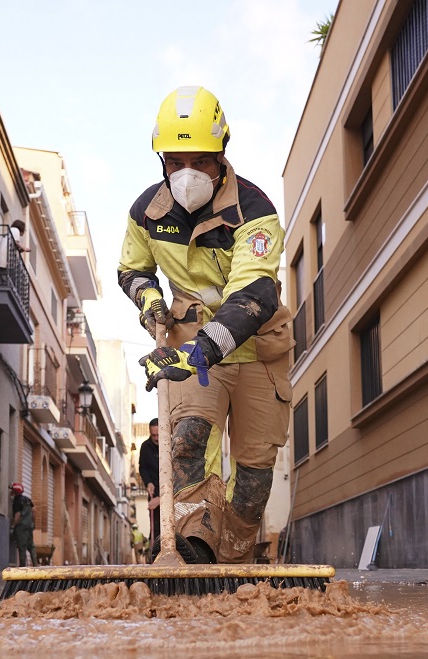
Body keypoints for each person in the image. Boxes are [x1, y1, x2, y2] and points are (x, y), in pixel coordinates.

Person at [121, 86, 293, 565]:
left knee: (255, 475)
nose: (187, 174)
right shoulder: (147, 213)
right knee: (188, 441)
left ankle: (235, 560)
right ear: (162, 163)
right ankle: (194, 551)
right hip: (190, 349)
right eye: (175, 163)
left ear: (222, 156)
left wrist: (196, 352)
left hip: (256, 351)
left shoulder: (255, 211)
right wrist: (150, 299)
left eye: (200, 161)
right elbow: (132, 270)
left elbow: (254, 295)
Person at [137, 417, 161, 561]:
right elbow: (143, 468)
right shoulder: (145, 447)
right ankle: (155, 559)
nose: (157, 438)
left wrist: (162, 498)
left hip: (171, 492)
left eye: (159, 435)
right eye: (154, 435)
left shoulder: (172, 445)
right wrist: (148, 483)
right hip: (153, 491)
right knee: (156, 527)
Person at [0, 219, 29, 284]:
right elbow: (16, 243)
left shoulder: (9, 231)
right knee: (7, 280)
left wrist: (21, 250)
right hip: (6, 261)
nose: (24, 232)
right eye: (24, 230)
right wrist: (25, 248)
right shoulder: (15, 230)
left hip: (2, 260)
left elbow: (14, 246)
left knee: (2, 279)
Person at [9, 482, 35, 566]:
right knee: (31, 546)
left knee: (22, 547)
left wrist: (13, 526)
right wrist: (33, 523)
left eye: (12, 490)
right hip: (29, 526)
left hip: (21, 528)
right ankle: (35, 564)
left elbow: (17, 515)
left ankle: (22, 567)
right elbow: (34, 511)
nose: (11, 492)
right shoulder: (27, 499)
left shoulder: (17, 501)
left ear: (15, 492)